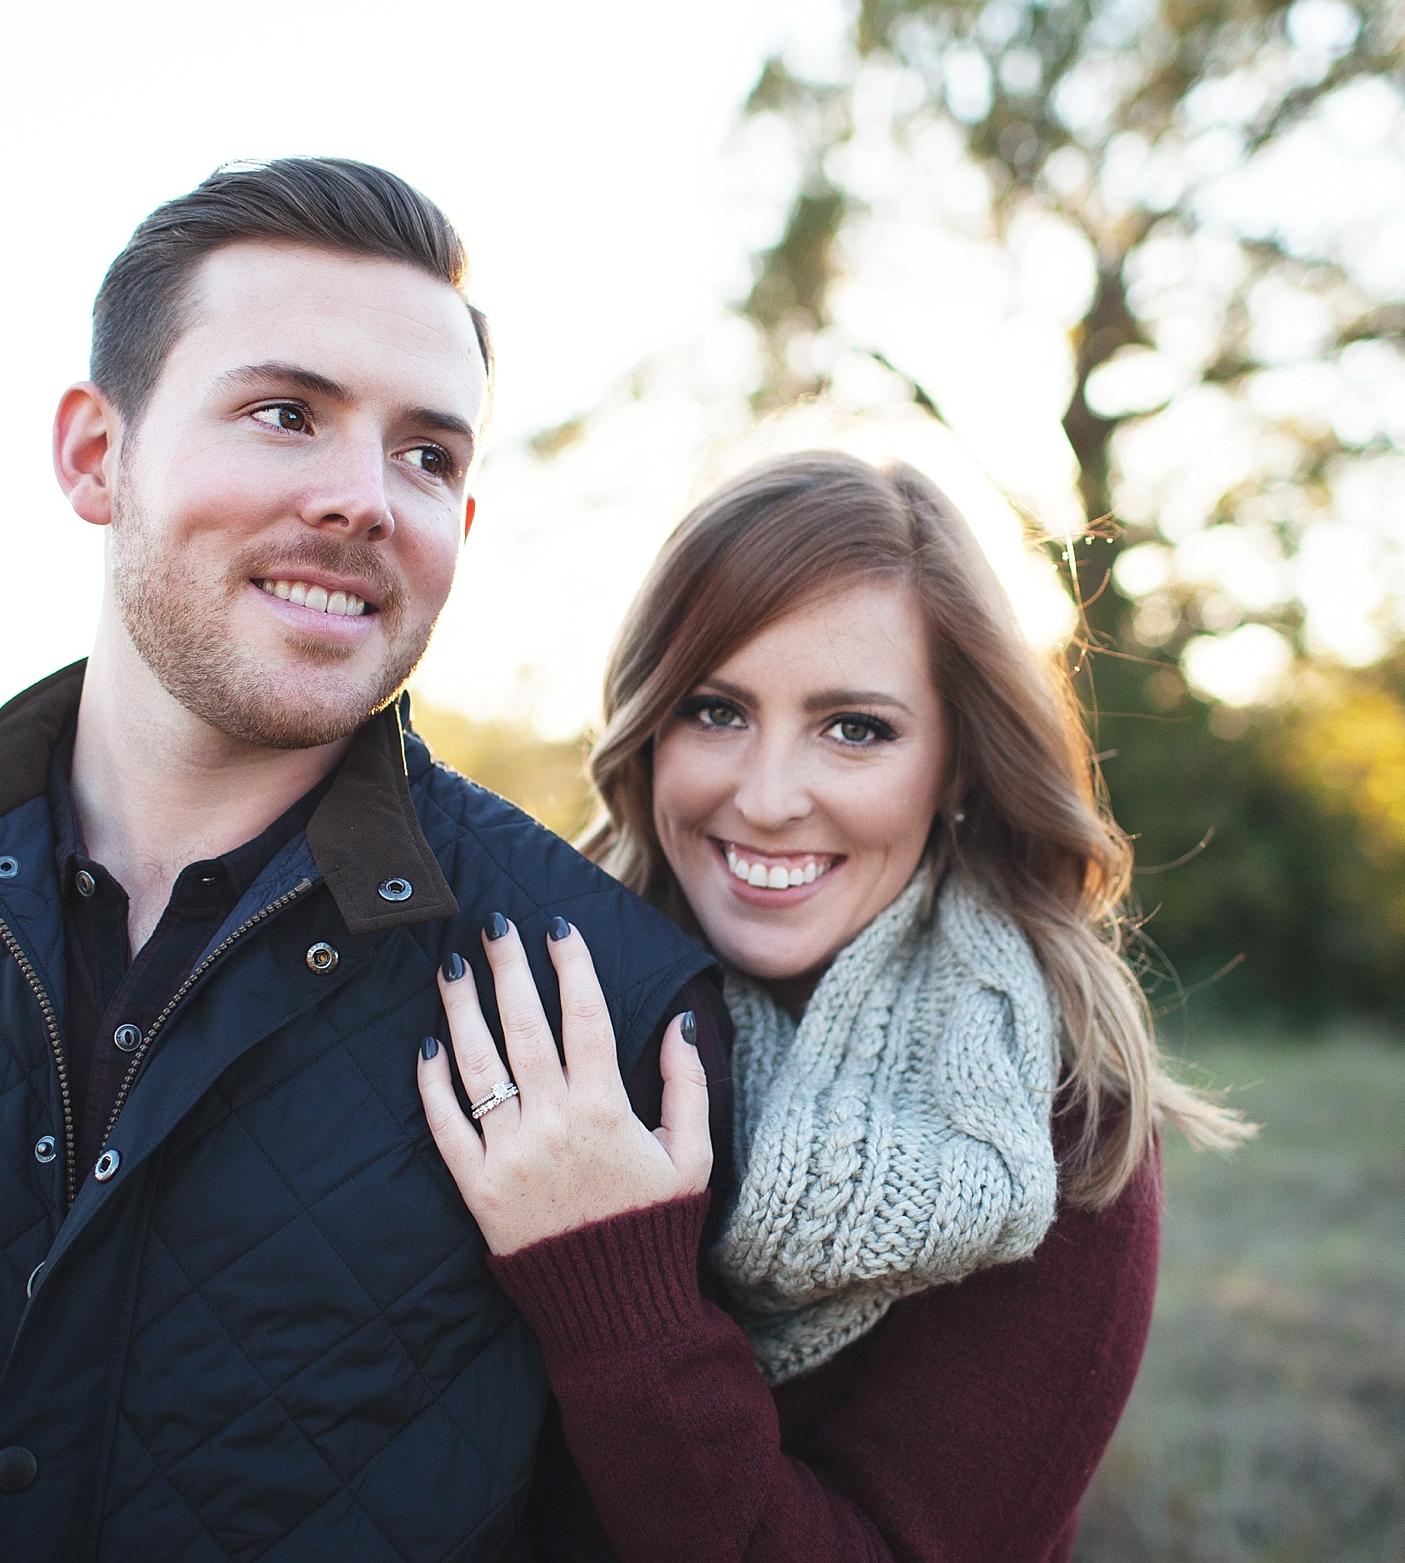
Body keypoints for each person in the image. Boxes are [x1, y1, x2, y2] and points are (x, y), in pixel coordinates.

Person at [0, 158, 730, 1563]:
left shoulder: (607, 1002)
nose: (364, 500)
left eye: (427, 455)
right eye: (285, 414)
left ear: (460, 529)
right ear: (97, 457)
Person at [417, 452, 1253, 1562]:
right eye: (714, 711)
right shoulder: (530, 1006)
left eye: (854, 728)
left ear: (958, 764)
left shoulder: (1058, 1122)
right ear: (647, 729)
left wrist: (613, 1287)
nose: (765, 799)